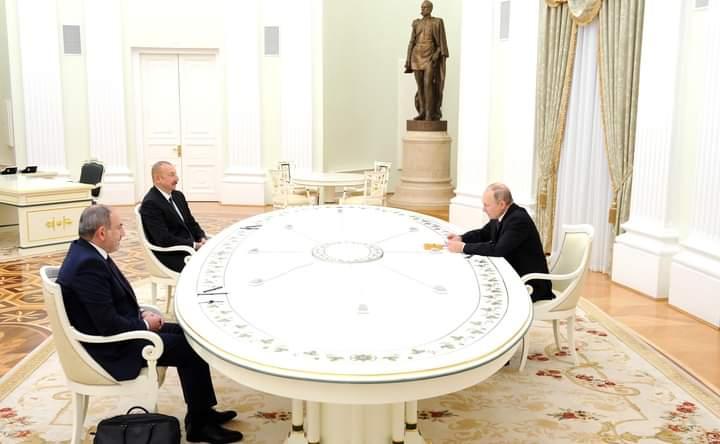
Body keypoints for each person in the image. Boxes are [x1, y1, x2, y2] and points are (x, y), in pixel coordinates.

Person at [56, 205, 243, 443]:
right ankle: (199, 425)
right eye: (119, 228)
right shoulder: (87, 265)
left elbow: (108, 307)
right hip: (112, 347)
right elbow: (108, 325)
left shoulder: (86, 252)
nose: (124, 233)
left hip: (119, 332)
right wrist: (145, 326)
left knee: (189, 333)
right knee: (189, 349)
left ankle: (203, 412)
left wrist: (139, 314)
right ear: (102, 233)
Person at [447, 183, 553, 302]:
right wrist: (461, 238)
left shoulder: (518, 220)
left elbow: (498, 250)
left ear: (502, 204)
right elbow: (483, 233)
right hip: (512, 275)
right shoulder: (502, 214)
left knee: (479, 292)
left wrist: (463, 247)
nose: (483, 209)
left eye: (487, 205)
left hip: (530, 285)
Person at [140, 161, 207, 272]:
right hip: (172, 254)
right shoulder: (151, 203)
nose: (177, 179)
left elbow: (191, 222)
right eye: (171, 175)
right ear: (158, 179)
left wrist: (201, 237)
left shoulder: (178, 196)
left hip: (188, 247)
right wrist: (194, 245)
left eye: (175, 174)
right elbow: (163, 239)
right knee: (207, 267)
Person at [404, 0, 449, 121]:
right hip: (416, 56)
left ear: (430, 9)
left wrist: (436, 54)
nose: (422, 10)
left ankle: (430, 113)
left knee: (428, 83)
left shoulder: (437, 22)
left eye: (424, 7)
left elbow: (441, 44)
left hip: (430, 55)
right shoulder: (416, 23)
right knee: (420, 86)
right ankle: (422, 112)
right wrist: (408, 58)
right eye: (421, 7)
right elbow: (412, 42)